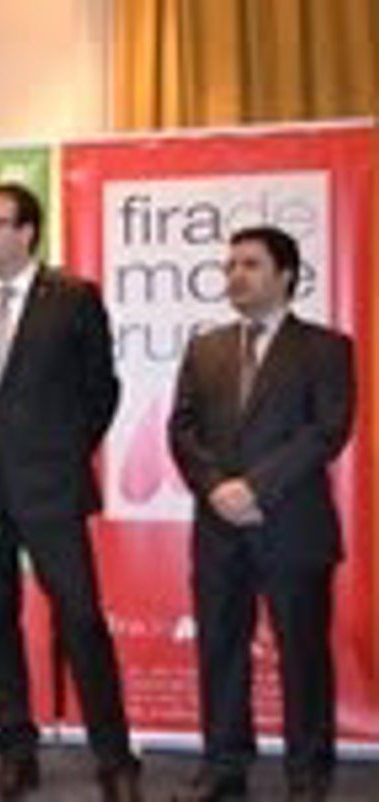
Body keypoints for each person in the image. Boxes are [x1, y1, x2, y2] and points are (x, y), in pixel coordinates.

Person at [0, 183, 141, 801]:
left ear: (27, 232)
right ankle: (16, 750)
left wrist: (60, 453)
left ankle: (115, 759)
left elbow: (101, 390)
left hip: (51, 489)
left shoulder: (73, 297)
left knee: (81, 619)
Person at [168, 226, 355, 802]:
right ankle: (225, 767)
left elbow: (327, 430)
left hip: (292, 527)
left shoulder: (326, 348)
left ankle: (308, 773)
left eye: (250, 265)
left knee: (302, 654)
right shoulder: (206, 348)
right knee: (221, 649)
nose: (235, 276)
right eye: (230, 266)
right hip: (218, 528)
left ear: (285, 275)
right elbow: (182, 429)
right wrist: (217, 488)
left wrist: (255, 488)